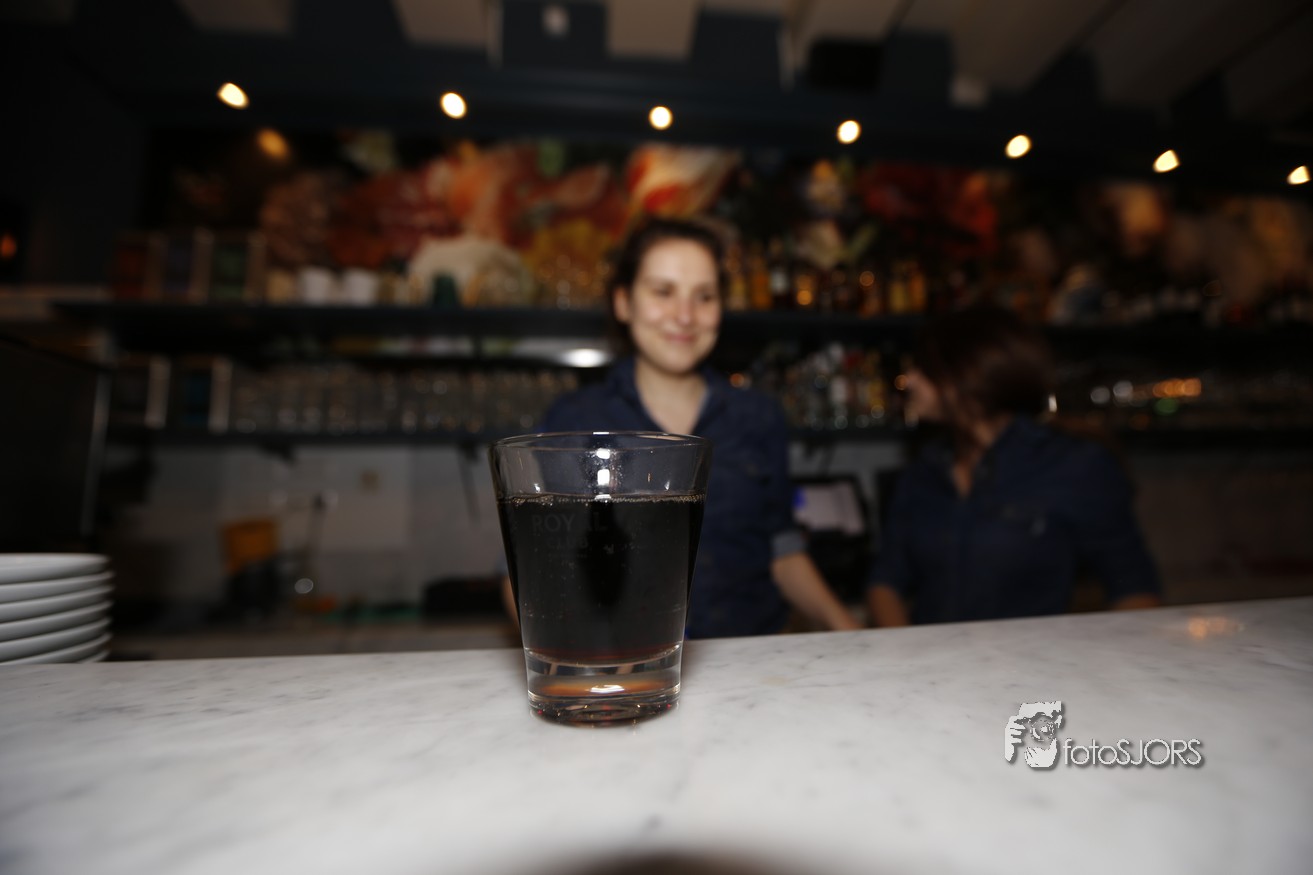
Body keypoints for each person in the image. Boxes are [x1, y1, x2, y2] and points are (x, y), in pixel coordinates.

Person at [519, 217, 860, 638]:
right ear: (623, 302)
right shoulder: (573, 422)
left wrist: (850, 631)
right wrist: (574, 658)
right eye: (663, 292)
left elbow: (783, 549)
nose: (685, 316)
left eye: (704, 296)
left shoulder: (757, 416)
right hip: (627, 661)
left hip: (755, 655)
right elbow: (528, 568)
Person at [866, 306, 1162, 627]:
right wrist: (906, 649)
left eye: (924, 369)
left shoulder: (1073, 464)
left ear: (969, 375)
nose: (909, 380)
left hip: (1032, 657)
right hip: (932, 656)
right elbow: (886, 581)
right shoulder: (923, 470)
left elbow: (1135, 589)